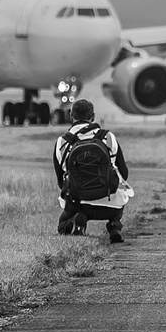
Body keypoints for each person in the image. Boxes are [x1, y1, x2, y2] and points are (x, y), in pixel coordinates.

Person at [53, 99, 133, 243]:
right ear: (93, 117)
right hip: (110, 203)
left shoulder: (62, 142)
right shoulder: (108, 137)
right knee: (120, 199)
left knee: (62, 226)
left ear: (71, 116)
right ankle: (114, 225)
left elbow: (60, 181)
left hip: (78, 202)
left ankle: (78, 220)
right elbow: (124, 173)